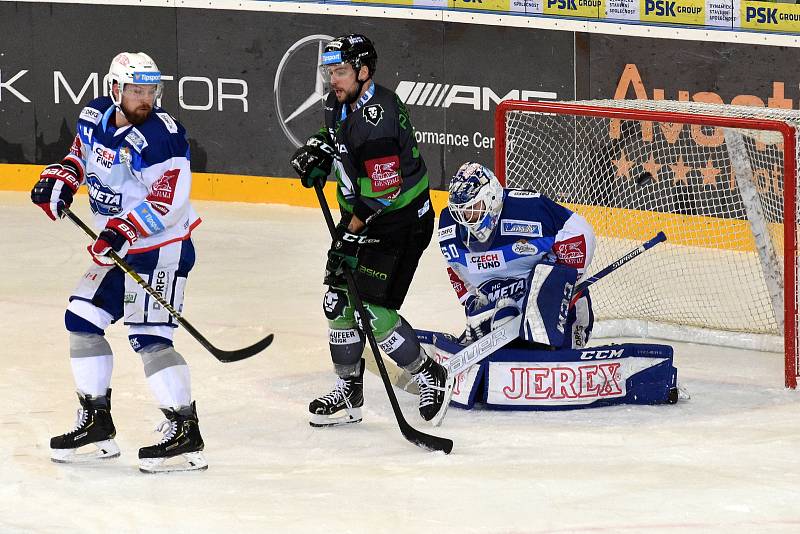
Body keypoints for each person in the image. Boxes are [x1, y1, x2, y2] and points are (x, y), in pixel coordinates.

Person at [30, 52, 206, 473]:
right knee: (82, 317)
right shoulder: (94, 115)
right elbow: (80, 154)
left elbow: (169, 202)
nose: (144, 98)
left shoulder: (164, 136)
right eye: (135, 90)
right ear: (115, 89)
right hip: (119, 245)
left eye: (150, 90)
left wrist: (123, 229)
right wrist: (61, 180)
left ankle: (185, 433)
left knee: (149, 336)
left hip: (162, 246)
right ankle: (96, 421)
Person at [290, 34, 453, 427]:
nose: (333, 80)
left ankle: (428, 374)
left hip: (399, 224)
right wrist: (316, 149)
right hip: (364, 219)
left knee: (372, 310)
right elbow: (336, 139)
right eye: (330, 71)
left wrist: (349, 233)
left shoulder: (376, 119)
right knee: (338, 302)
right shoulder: (340, 100)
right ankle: (349, 391)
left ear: (364, 72)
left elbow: (384, 192)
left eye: (341, 71)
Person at [438, 162, 596, 351]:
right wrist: (474, 303)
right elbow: (456, 270)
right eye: (460, 212)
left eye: (472, 209)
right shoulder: (449, 228)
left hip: (562, 316)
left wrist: (558, 288)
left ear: (492, 198)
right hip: (503, 318)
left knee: (555, 368)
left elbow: (580, 233)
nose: (465, 219)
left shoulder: (530, 210)